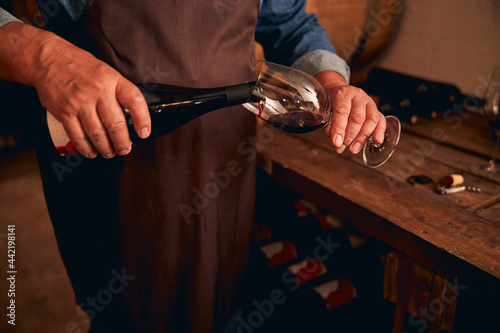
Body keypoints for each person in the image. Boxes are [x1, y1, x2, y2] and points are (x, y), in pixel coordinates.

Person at [0, 1, 386, 332]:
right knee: (131, 311)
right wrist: (44, 57)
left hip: (224, 162)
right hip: (118, 170)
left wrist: (332, 84)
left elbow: (292, 24)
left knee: (220, 300)